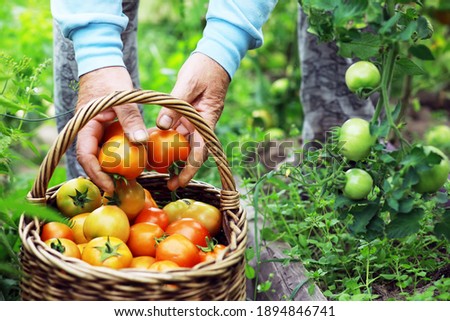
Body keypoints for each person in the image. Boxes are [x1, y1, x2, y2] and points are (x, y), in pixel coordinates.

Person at [51, 0, 374, 300]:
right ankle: (86, 215)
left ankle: (336, 183)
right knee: (90, 70)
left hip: (157, 248)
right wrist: (96, 54)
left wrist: (223, 47)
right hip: (132, 242)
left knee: (342, 8)